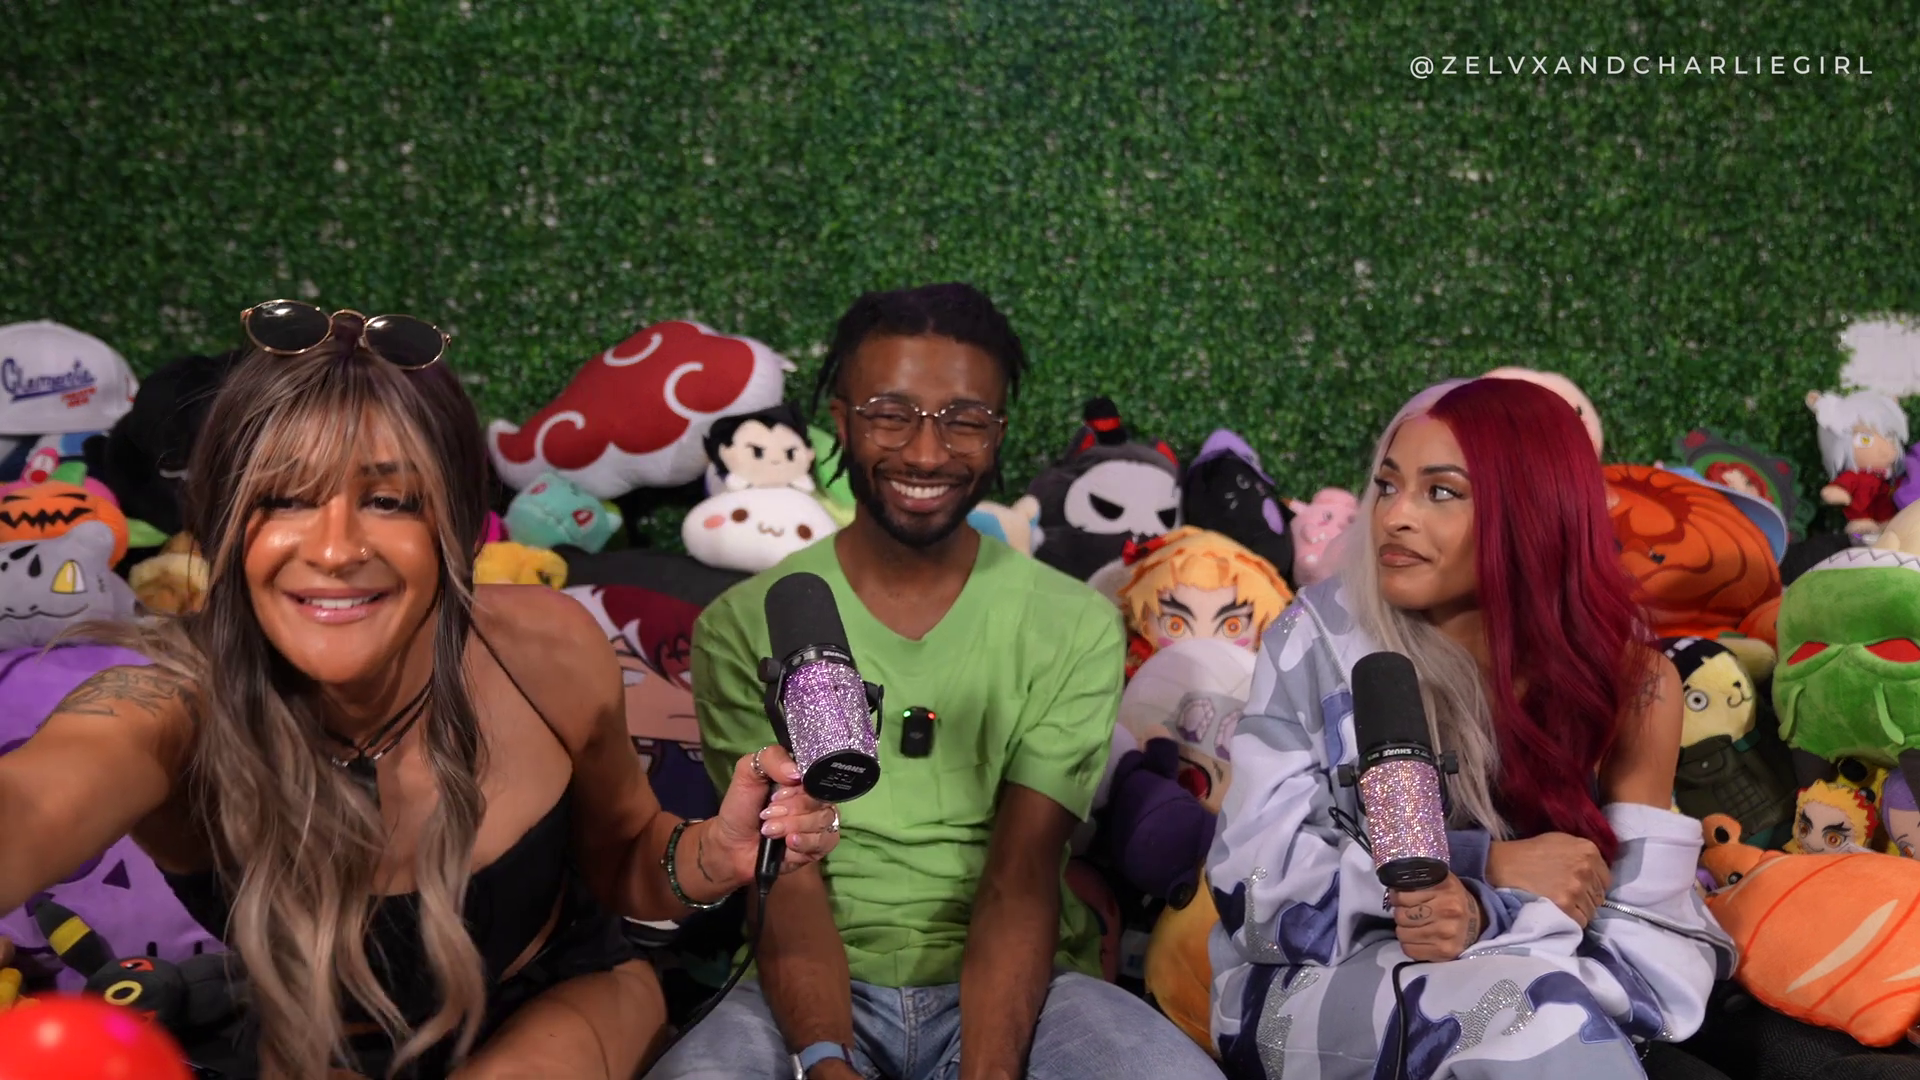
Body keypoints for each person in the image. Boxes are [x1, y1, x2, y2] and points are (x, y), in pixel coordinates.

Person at [0, 301, 844, 1080]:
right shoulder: (166, 707)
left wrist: (716, 852)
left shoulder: (546, 651)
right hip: (318, 1043)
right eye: (284, 500)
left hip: (563, 1003)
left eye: (389, 499)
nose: (335, 549)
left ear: (456, 524)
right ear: (222, 527)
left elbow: (627, 856)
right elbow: (32, 804)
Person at [647, 283, 1224, 1080]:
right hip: (806, 989)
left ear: (1000, 431)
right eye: (889, 414)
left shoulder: (1074, 625)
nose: (926, 454)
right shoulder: (747, 623)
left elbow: (1022, 874)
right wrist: (825, 1061)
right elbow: (784, 878)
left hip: (1021, 990)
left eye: (965, 420)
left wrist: (989, 1072)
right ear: (840, 422)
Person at [1206, 376, 1737, 1080]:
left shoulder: (1634, 681)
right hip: (1314, 986)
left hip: (1561, 990)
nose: (1395, 516)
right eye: (1387, 485)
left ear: (1534, 512)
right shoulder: (1317, 637)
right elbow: (1255, 889)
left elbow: (1650, 936)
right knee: (1529, 1015)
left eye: (1441, 492)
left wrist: (1499, 934)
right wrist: (1484, 867)